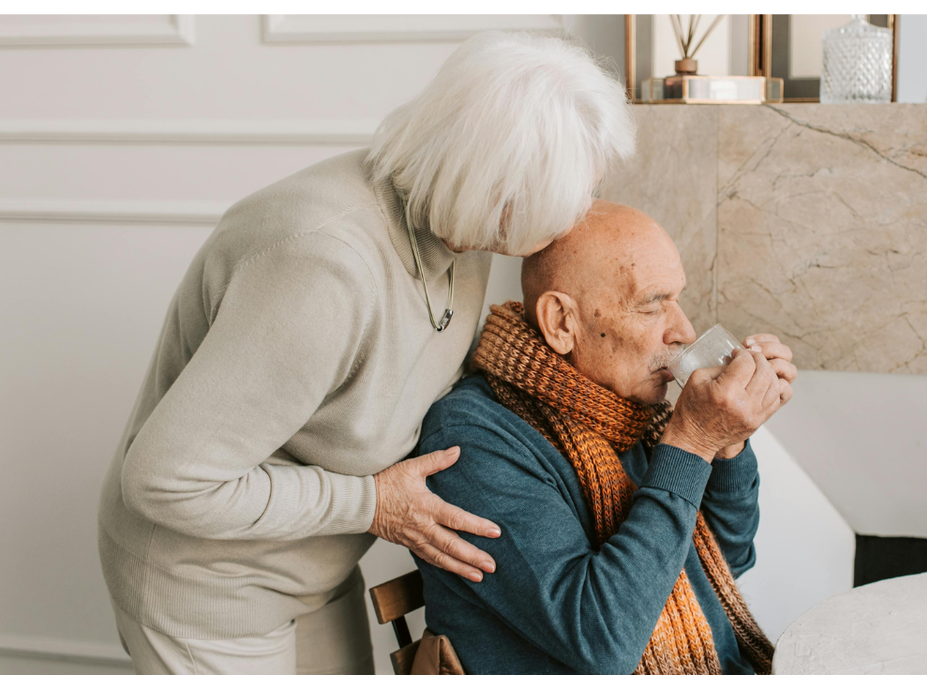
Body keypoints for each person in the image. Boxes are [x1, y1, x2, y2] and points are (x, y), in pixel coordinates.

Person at [97, 32, 634, 674]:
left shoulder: (463, 230)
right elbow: (164, 482)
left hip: (313, 565)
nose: (578, 216)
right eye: (572, 195)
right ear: (499, 189)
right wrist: (372, 504)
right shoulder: (321, 268)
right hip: (208, 590)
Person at [412, 200, 797, 674]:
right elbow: (603, 640)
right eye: (652, 304)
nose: (684, 330)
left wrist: (728, 443)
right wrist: (693, 442)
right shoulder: (471, 443)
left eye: (677, 300)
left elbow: (723, 564)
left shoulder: (628, 413)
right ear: (562, 323)